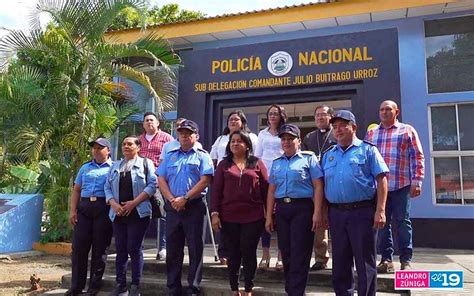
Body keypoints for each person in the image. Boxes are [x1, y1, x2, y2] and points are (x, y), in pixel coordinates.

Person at [322, 110, 388, 296]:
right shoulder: (328, 155)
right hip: (337, 214)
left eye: (343, 125)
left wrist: (380, 210)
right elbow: (323, 185)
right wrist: (324, 212)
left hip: (363, 213)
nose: (338, 129)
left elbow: (382, 179)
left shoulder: (368, 150)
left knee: (364, 262)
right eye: (335, 127)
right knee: (340, 262)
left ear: (354, 127)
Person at [365, 100, 425, 272]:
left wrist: (417, 181)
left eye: (388, 109)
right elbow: (365, 160)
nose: (384, 112)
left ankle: (406, 260)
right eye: (381, 109)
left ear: (396, 111)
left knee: (402, 223)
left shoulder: (407, 130)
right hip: (378, 189)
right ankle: (386, 260)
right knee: (381, 223)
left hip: (401, 186)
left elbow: (417, 157)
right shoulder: (371, 134)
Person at [265, 124, 324, 296]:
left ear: (298, 141)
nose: (286, 142)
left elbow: (318, 186)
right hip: (282, 209)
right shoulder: (277, 163)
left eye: (290, 138)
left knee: (300, 253)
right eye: (283, 139)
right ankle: (292, 290)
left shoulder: (309, 159)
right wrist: (269, 216)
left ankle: (297, 292)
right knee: (287, 252)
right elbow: (271, 190)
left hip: (303, 209)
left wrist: (317, 212)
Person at [157, 120, 214, 296]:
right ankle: (173, 286)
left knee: (195, 248)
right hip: (173, 207)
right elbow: (161, 179)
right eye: (181, 133)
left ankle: (193, 287)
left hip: (194, 207)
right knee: (173, 249)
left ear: (196, 136)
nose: (184, 136)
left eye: (188, 133)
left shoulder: (203, 155)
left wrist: (185, 198)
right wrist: (172, 199)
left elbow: (205, 180)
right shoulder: (170, 156)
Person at [211, 130, 269, 296]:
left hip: (253, 216)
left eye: (239, 141)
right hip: (228, 217)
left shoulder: (257, 163)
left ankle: (249, 288)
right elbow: (216, 191)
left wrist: (269, 215)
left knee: (249, 251)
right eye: (232, 141)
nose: (235, 144)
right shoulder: (224, 164)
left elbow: (266, 190)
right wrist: (215, 213)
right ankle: (234, 289)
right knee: (233, 253)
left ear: (247, 145)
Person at [105, 136, 157, 296]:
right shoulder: (114, 166)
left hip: (138, 213)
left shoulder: (146, 164)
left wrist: (133, 203)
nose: (126, 146)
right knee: (120, 249)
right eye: (123, 144)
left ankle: (135, 285)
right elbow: (107, 186)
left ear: (138, 147)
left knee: (134, 249)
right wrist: (113, 203)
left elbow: (152, 185)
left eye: (130, 144)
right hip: (118, 214)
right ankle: (120, 285)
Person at [66, 138, 113, 296]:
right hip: (85, 207)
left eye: (100, 148)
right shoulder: (85, 168)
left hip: (103, 208)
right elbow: (77, 190)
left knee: (100, 249)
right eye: (94, 148)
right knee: (79, 248)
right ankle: (76, 286)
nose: (96, 150)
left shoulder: (114, 168)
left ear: (108, 151)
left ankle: (94, 286)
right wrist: (73, 211)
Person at [210, 110, 257, 264]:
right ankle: (224, 252)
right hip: (225, 177)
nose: (233, 122)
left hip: (245, 180)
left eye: (237, 119)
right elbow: (213, 158)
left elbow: (256, 159)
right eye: (231, 119)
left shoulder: (252, 137)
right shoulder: (221, 138)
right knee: (225, 219)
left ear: (243, 122)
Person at [301, 105, 335, 271]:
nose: (320, 118)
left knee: (336, 220)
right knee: (319, 221)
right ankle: (321, 258)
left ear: (330, 116)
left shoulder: (336, 133)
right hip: (316, 185)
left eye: (323, 115)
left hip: (335, 183)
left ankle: (343, 256)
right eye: (317, 116)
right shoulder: (309, 137)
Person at [254, 104, 286, 270]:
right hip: (265, 179)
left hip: (283, 177)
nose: (273, 116)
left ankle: (281, 256)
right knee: (265, 217)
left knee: (280, 218)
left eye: (276, 114)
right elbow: (257, 157)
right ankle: (266, 254)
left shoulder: (286, 132)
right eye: (270, 114)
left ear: (281, 116)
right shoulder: (262, 134)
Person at [138, 111, 173, 262]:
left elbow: (171, 160)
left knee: (162, 215)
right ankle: (137, 246)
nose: (149, 123)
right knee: (139, 214)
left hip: (160, 181)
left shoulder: (167, 139)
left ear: (158, 123)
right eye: (146, 121)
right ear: (143, 124)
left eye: (152, 120)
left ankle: (162, 247)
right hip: (140, 182)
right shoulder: (138, 140)